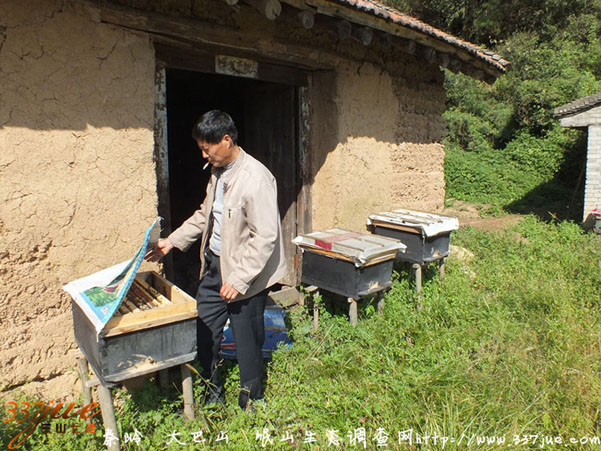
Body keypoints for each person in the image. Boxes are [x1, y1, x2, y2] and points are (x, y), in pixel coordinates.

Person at [145, 110, 287, 410]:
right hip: (214, 264)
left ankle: (251, 399)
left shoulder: (256, 179)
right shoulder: (217, 172)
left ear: (226, 140)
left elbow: (265, 238)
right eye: (200, 148)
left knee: (248, 339)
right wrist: (172, 241)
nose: (203, 155)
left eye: (206, 148)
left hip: (246, 271)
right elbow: (205, 214)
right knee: (205, 327)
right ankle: (213, 390)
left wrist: (239, 279)